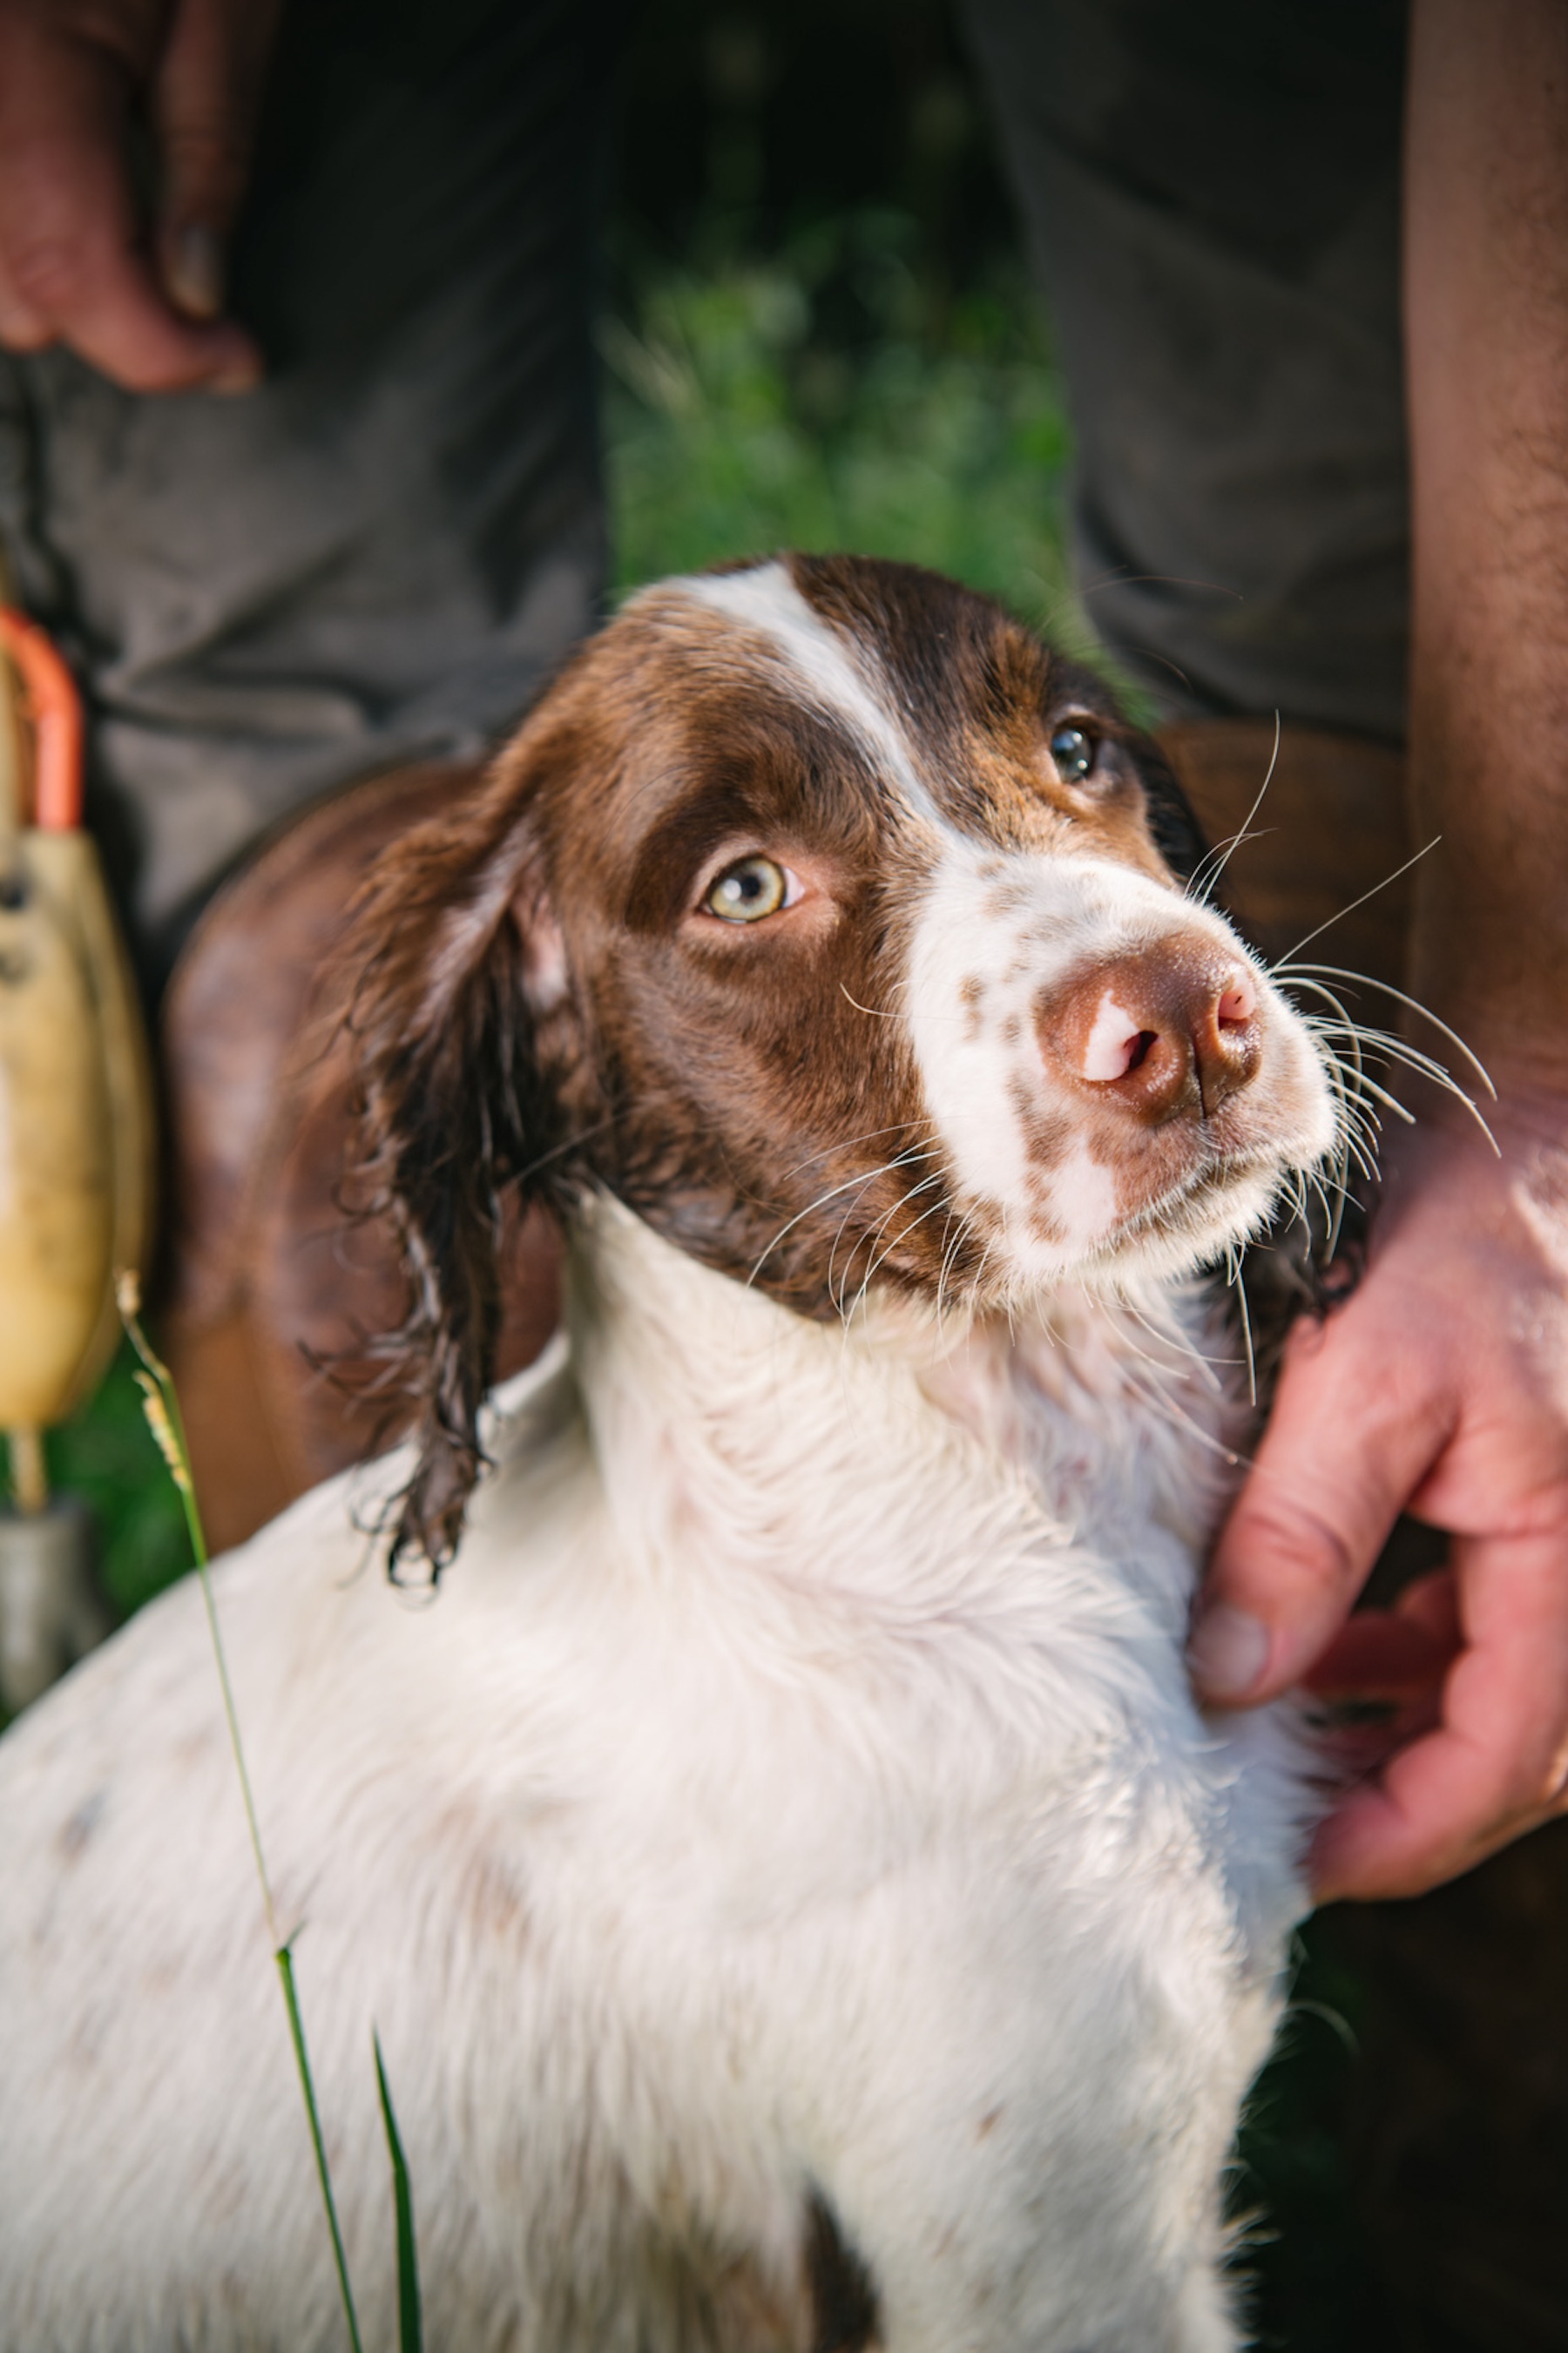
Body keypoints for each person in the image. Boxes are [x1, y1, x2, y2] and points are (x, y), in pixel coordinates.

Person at [3, 1, 1566, 2339]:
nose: (1139, 960)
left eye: (1063, 751)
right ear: (524, 1077)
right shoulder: (898, 1809)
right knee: (279, 695)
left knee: (1341, 588)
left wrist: (1531, 1090)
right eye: (745, 886)